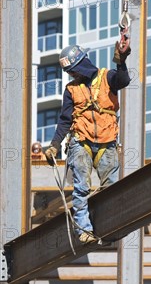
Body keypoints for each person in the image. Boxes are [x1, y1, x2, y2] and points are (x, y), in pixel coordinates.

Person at [45, 42, 131, 243]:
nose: (72, 76)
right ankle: (83, 230)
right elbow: (65, 119)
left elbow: (123, 80)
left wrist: (121, 60)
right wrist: (54, 145)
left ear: (80, 65)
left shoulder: (107, 77)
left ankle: (110, 226)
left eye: (73, 71)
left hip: (106, 141)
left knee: (112, 186)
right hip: (81, 140)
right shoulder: (71, 89)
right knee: (81, 187)